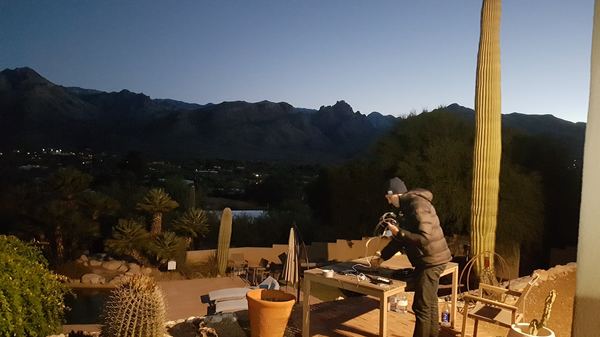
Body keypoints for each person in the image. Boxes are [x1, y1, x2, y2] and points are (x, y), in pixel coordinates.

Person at [374, 177, 452, 337]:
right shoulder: (406, 208)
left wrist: (399, 232)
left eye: (389, 198)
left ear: (395, 194)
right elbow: (399, 241)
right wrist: (382, 257)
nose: (389, 202)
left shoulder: (416, 205)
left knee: (421, 306)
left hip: (431, 261)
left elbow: (424, 238)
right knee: (429, 304)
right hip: (430, 260)